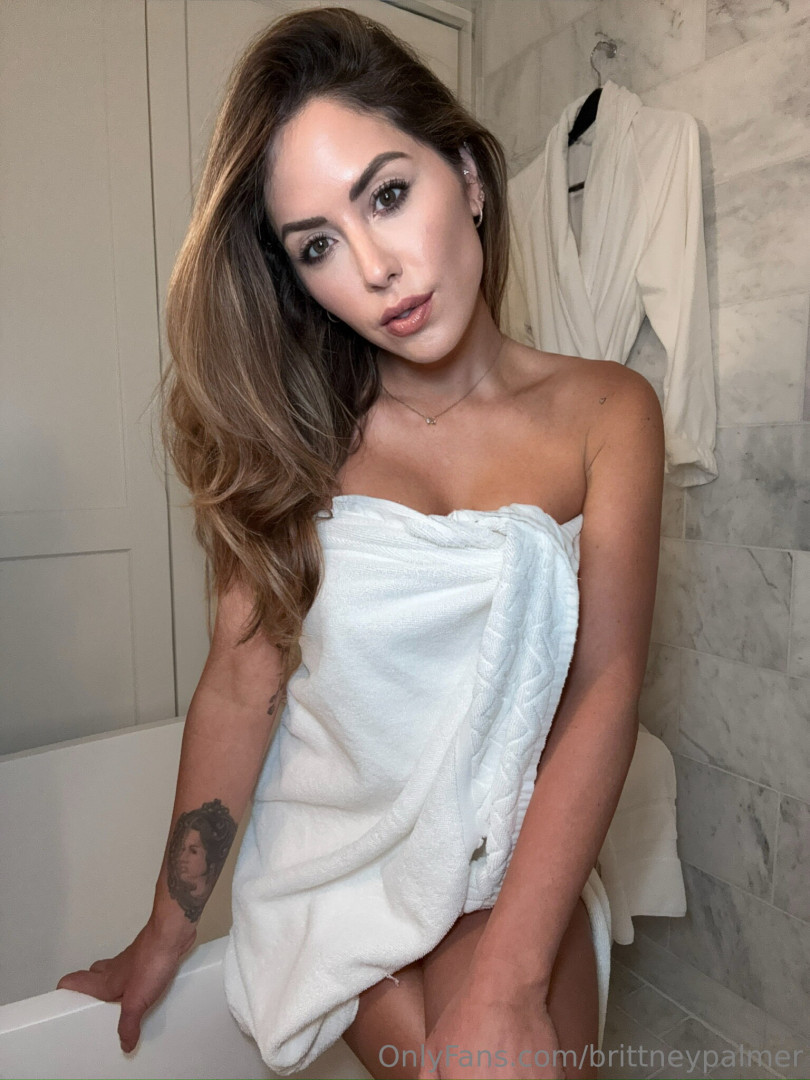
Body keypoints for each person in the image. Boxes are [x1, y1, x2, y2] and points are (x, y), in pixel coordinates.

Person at [57, 8, 664, 1080]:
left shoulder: (608, 412)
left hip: (503, 855)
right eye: (318, 246)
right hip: (335, 864)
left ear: (466, 176)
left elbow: (605, 683)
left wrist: (511, 978)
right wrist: (165, 932)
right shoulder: (292, 446)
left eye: (387, 195)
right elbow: (240, 690)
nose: (377, 267)